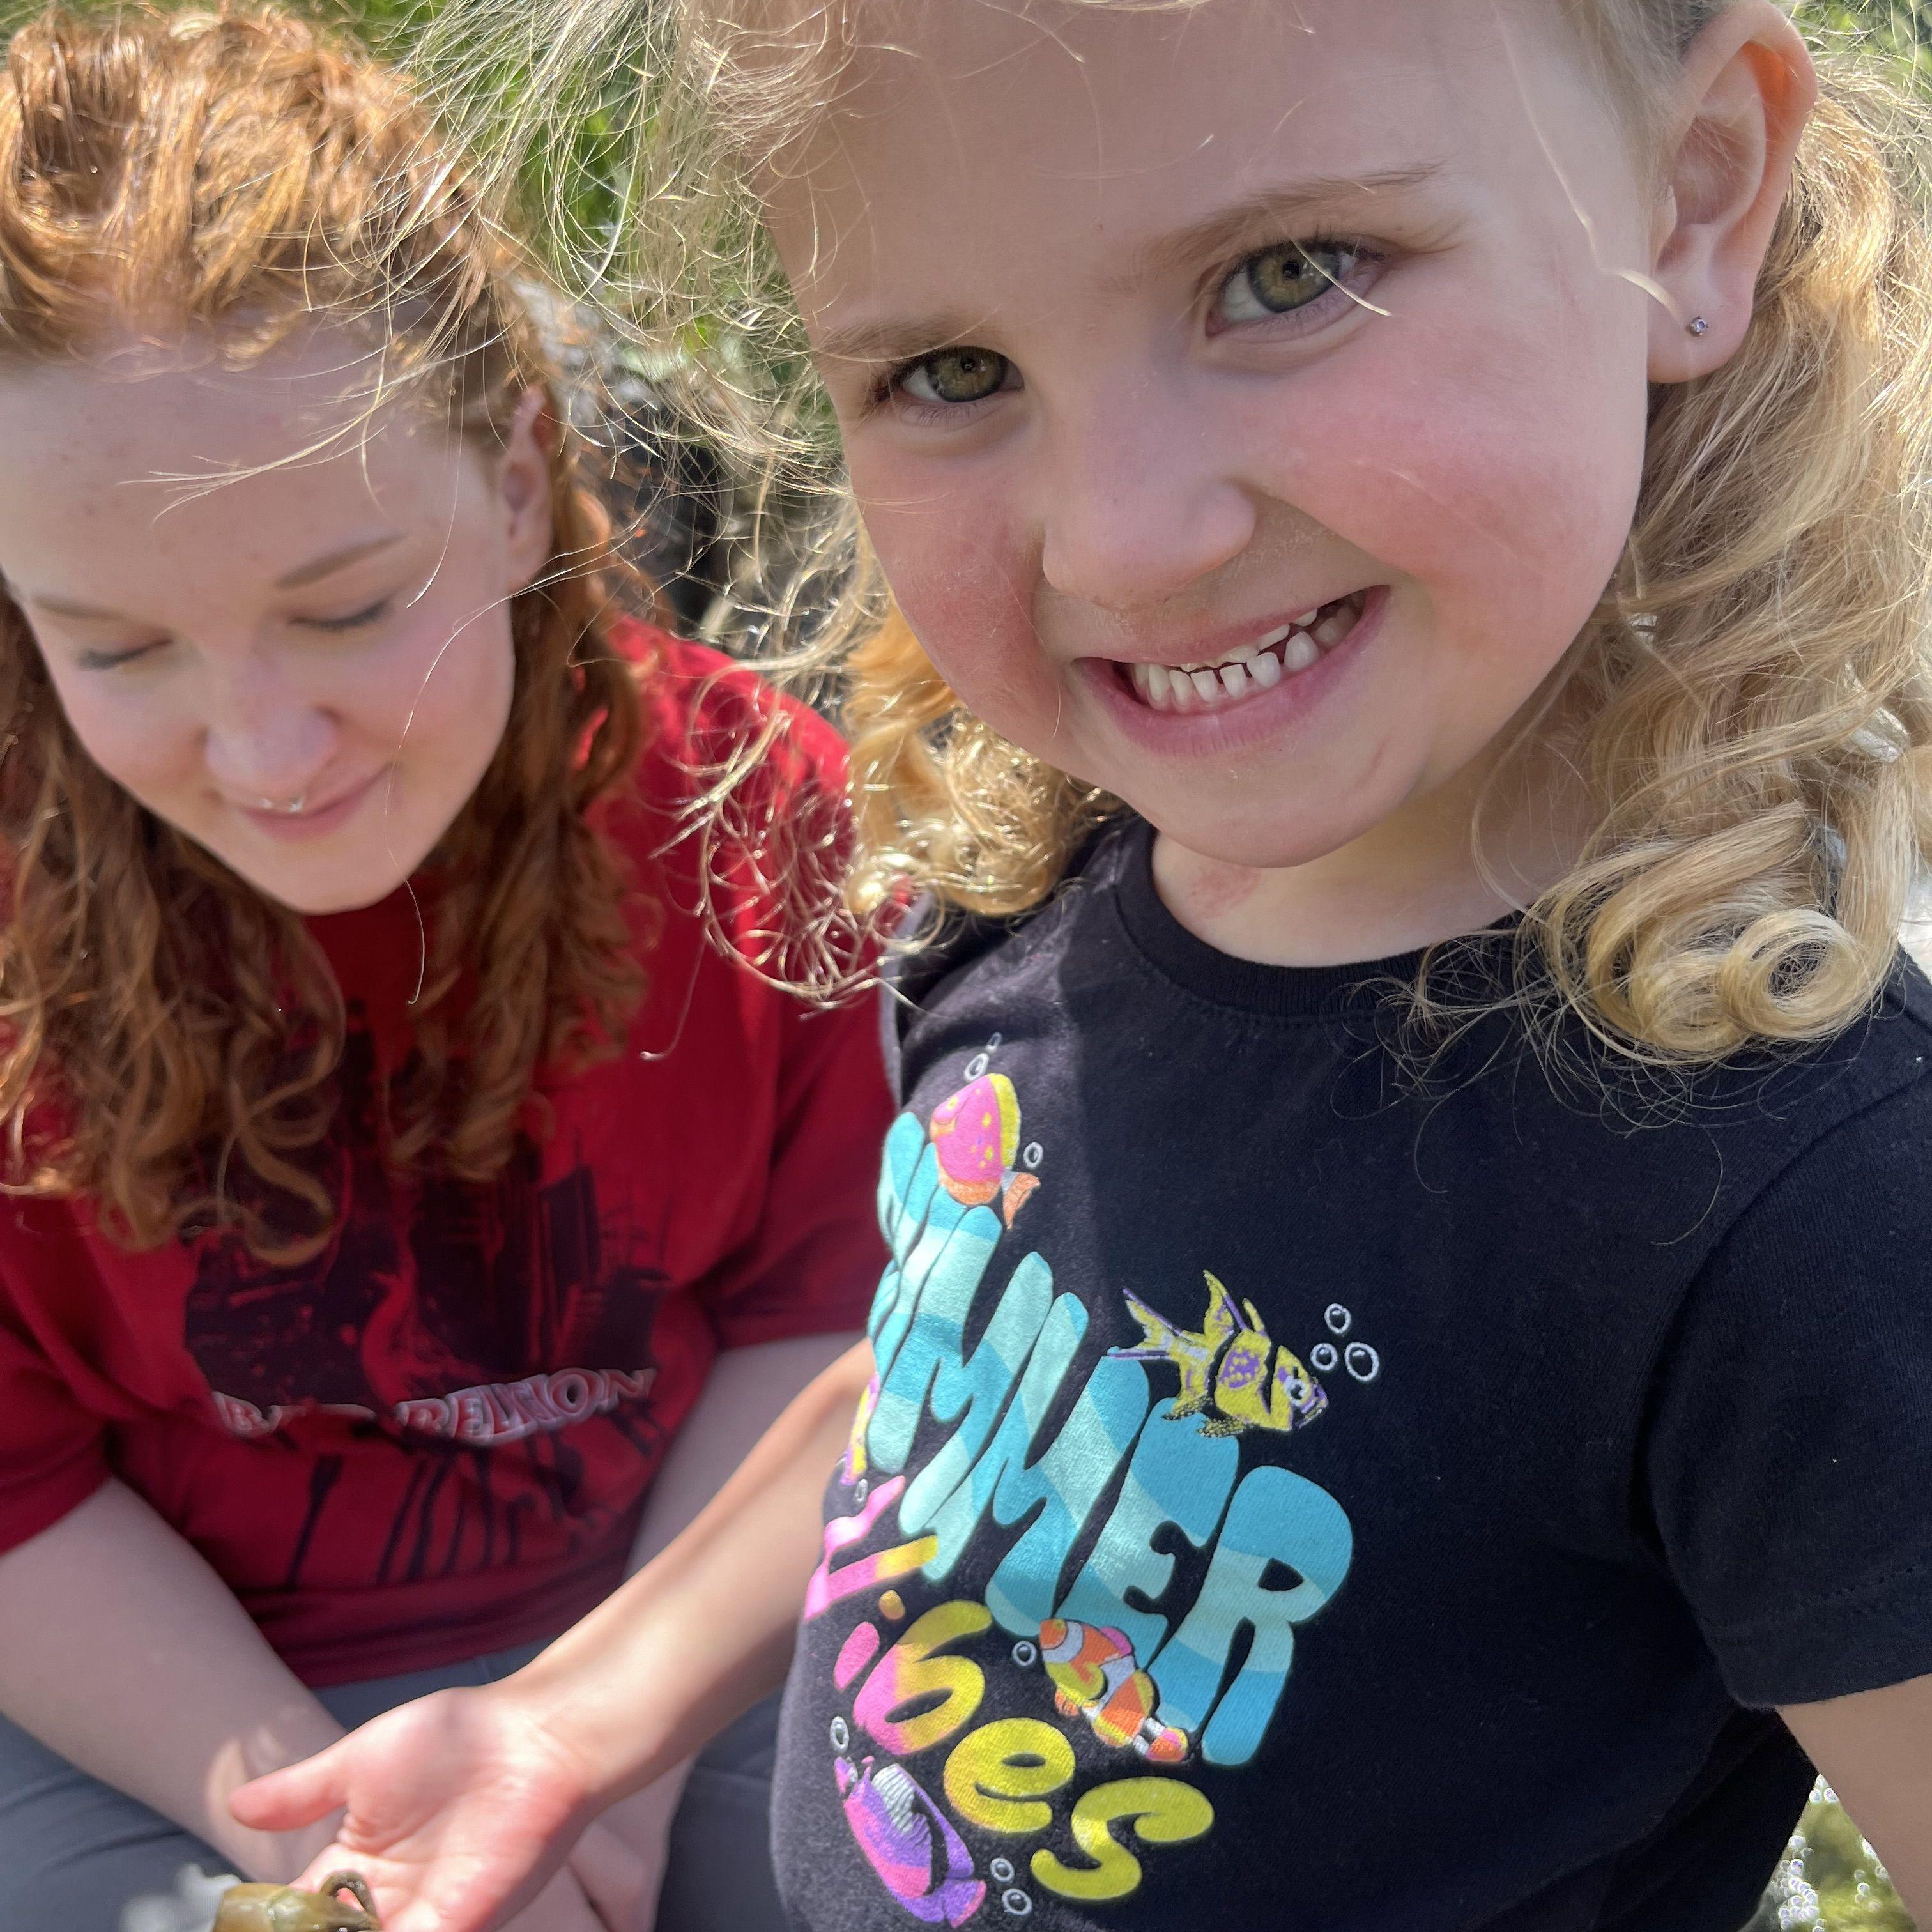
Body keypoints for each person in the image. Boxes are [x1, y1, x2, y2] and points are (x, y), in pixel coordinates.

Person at [233, 1, 1932, 1928]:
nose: (1125, 545)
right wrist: (570, 1716)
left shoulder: (1798, 1204)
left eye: (1290, 276)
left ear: (1694, 197)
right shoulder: (1041, 865)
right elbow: (959, 1388)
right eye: (950, 370)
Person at [0, 8, 894, 1930]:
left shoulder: (754, 815)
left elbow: (831, 1324)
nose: (264, 751)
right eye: (120, 650)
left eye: (345, 608)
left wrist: (598, 1768)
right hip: (157, 1714)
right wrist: (325, 1855)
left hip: (693, 1630)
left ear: (515, 481)